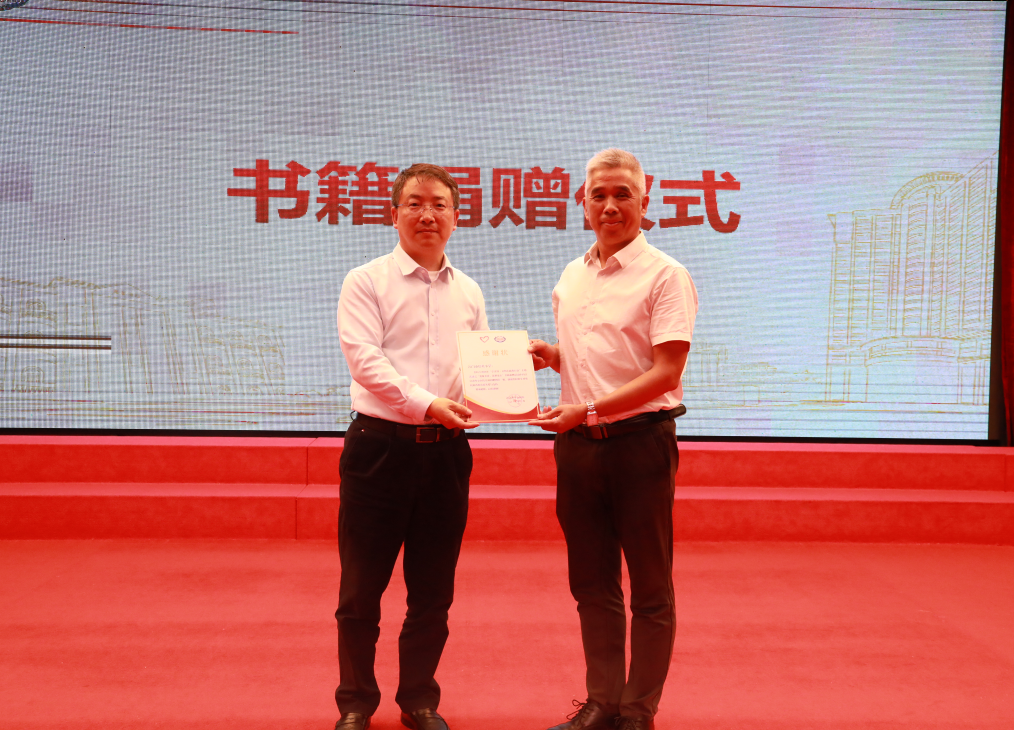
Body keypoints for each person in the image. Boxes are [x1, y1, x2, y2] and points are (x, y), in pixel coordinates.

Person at [529, 149, 698, 730]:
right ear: (582, 203)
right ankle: (602, 702)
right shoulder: (572, 275)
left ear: (644, 202)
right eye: (597, 195)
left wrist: (591, 407)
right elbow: (597, 357)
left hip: (639, 446)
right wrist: (553, 356)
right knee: (592, 583)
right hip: (577, 448)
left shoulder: (666, 275)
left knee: (650, 587)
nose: (609, 205)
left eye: (622, 194)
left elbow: (665, 373)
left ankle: (637, 711)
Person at [335, 163, 487, 730]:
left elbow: (479, 368)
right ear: (394, 214)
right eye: (416, 204)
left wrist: (512, 386)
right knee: (360, 590)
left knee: (433, 591)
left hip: (446, 454)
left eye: (440, 204)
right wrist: (427, 403)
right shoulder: (365, 281)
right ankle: (355, 703)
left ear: (456, 217)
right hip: (379, 450)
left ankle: (419, 699)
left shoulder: (469, 290)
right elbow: (365, 361)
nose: (428, 215)